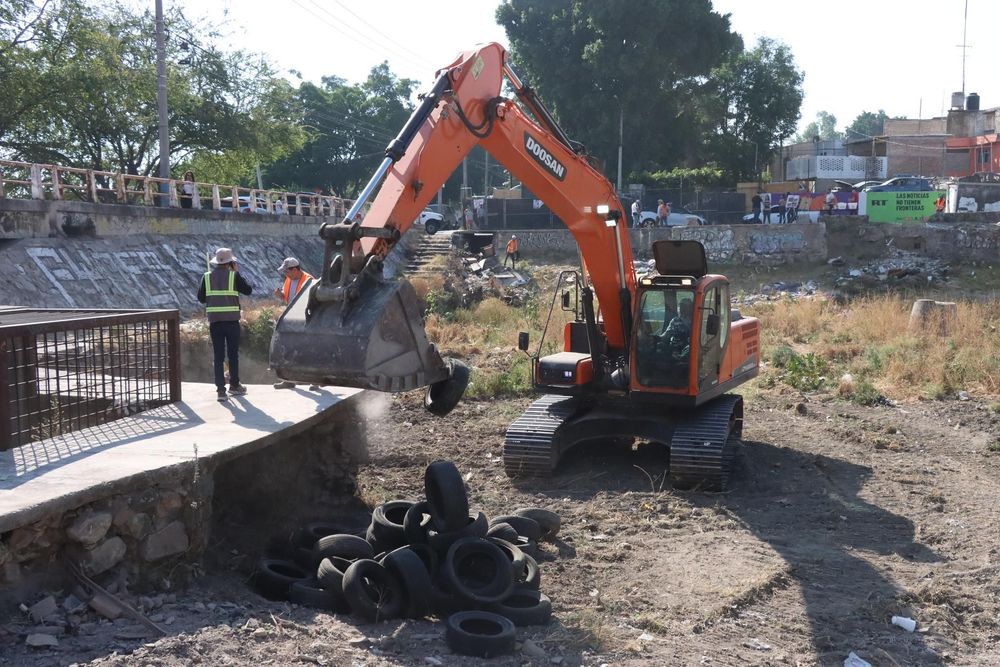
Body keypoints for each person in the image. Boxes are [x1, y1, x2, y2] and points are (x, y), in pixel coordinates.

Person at [197, 248, 253, 402]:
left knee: (218, 356)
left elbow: (201, 298)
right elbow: (248, 290)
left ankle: (221, 391)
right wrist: (237, 272)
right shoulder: (234, 276)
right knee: (233, 355)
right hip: (231, 321)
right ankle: (234, 385)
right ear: (231, 263)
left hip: (215, 321)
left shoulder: (206, 277)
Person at [273, 258, 317, 390]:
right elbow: (288, 298)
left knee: (308, 350)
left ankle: (315, 380)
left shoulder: (309, 281)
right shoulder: (288, 280)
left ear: (295, 269)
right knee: (288, 350)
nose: (285, 274)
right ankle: (288, 380)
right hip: (291, 319)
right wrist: (280, 295)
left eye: (287, 271)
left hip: (305, 319)